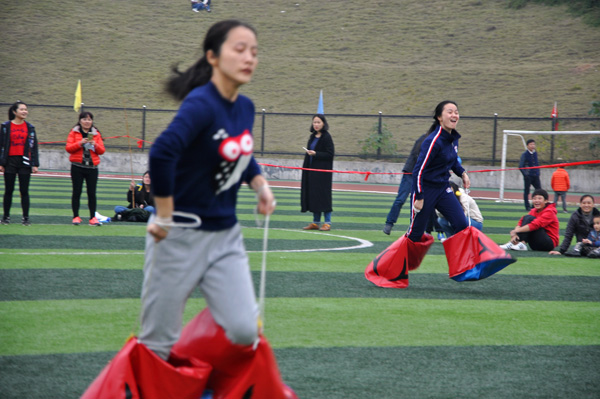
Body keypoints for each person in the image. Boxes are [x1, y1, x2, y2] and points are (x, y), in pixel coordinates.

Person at [141, 19, 276, 363]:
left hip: (225, 236)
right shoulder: (201, 103)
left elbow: (239, 151)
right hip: (178, 236)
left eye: (255, 52)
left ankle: (192, 374)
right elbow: (161, 152)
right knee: (158, 342)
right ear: (213, 56)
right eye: (240, 49)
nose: (249, 58)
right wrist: (165, 215)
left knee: (245, 329)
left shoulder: (245, 107)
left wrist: (259, 184)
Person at [407, 100, 471, 244]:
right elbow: (418, 171)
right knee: (415, 235)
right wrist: (420, 196)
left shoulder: (453, 139)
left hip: (443, 189)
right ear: (439, 117)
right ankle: (396, 265)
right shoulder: (433, 141)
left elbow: (453, 160)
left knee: (462, 225)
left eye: (456, 112)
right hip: (425, 190)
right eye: (450, 112)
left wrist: (463, 173)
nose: (454, 115)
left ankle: (459, 264)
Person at [0, 101, 40, 226]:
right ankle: (6, 217)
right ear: (14, 112)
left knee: (24, 191)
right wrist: (1, 163)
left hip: (24, 162)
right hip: (10, 161)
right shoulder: (6, 127)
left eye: (26, 109)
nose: (24, 112)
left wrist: (35, 164)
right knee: (9, 190)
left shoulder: (30, 128)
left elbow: (34, 147)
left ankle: (25, 218)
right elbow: (1, 145)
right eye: (22, 109)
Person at [65, 111, 106, 226]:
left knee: (92, 193)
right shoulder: (74, 132)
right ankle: (76, 216)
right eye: (84, 119)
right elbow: (68, 148)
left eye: (89, 120)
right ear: (80, 120)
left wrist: (95, 144)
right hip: (77, 167)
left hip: (92, 168)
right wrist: (80, 143)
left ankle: (92, 217)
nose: (87, 122)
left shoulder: (96, 133)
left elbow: (102, 151)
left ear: (92, 121)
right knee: (76, 192)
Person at [383, 133, 426, 235]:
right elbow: (417, 156)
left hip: (422, 175)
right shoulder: (424, 139)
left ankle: (415, 228)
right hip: (411, 173)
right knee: (400, 199)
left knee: (418, 202)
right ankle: (389, 223)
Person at [300, 113, 335, 231]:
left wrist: (316, 154)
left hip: (323, 173)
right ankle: (315, 222)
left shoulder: (326, 137)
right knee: (314, 196)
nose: (316, 124)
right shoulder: (312, 137)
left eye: (318, 122)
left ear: (323, 123)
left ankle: (327, 223)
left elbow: (330, 154)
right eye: (314, 122)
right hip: (312, 171)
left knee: (324, 196)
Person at [519, 139, 541, 211]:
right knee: (526, 191)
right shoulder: (524, 154)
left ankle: (534, 205)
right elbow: (520, 166)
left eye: (533, 144)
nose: (533, 146)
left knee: (539, 190)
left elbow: (536, 164)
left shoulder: (535, 153)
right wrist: (526, 175)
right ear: (527, 145)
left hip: (536, 175)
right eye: (531, 144)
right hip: (528, 176)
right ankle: (527, 206)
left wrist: (538, 172)